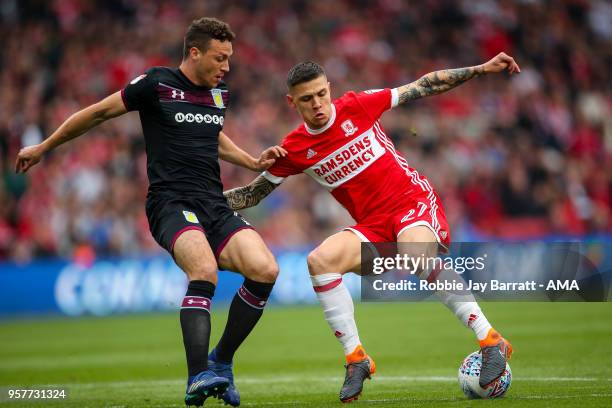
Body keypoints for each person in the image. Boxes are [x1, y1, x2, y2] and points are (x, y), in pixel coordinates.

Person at [15, 17, 287, 407]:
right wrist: (44, 147)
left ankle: (221, 363)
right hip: (171, 204)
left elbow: (213, 134)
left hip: (214, 204)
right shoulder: (154, 84)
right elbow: (96, 113)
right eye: (220, 58)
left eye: (229, 59)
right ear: (194, 53)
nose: (227, 67)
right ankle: (197, 376)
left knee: (266, 270)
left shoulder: (218, 94)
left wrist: (250, 160)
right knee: (204, 270)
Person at [223, 54, 520, 403]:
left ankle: (490, 340)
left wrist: (481, 69)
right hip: (373, 226)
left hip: (412, 203)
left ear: (329, 89)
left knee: (414, 252)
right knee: (320, 261)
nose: (318, 104)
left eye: (321, 94)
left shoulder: (358, 105)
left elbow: (423, 85)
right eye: (307, 99)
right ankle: (356, 359)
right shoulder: (294, 148)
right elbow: (252, 194)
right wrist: (197, 200)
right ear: (292, 102)